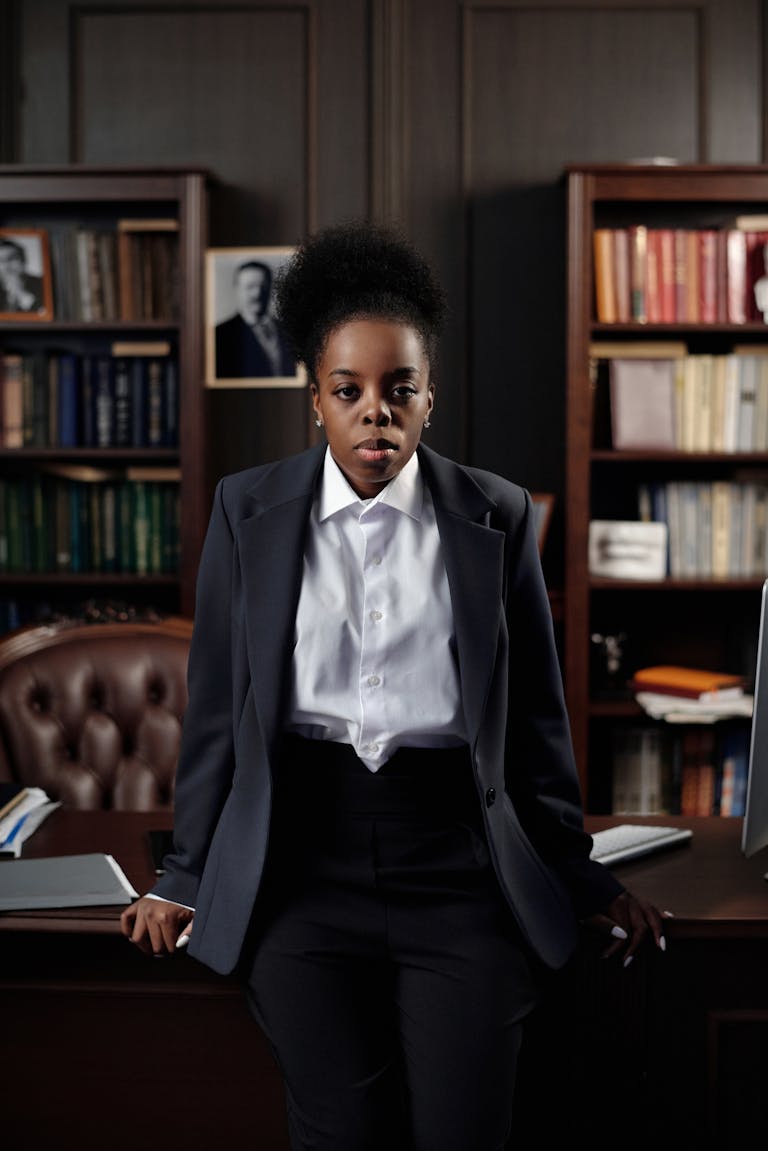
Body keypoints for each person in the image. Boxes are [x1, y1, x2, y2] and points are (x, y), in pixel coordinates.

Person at [122, 220, 670, 1151]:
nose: (375, 411)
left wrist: (577, 873)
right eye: (350, 390)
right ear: (316, 400)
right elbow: (218, 715)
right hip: (302, 865)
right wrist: (184, 877)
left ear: (428, 398)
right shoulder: (245, 509)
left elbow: (534, 720)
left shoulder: (493, 513)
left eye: (398, 389)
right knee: (344, 1133)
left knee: (464, 1130)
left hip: (454, 862)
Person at [215, 258, 296, 378]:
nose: (257, 293)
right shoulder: (221, 334)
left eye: (263, 286)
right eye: (250, 287)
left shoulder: (289, 331)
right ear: (237, 290)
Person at [0, 236, 44, 314]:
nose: (6, 266)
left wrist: (22, 294)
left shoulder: (42, 283)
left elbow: (43, 315)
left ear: (24, 260)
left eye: (11, 259)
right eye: (1, 261)